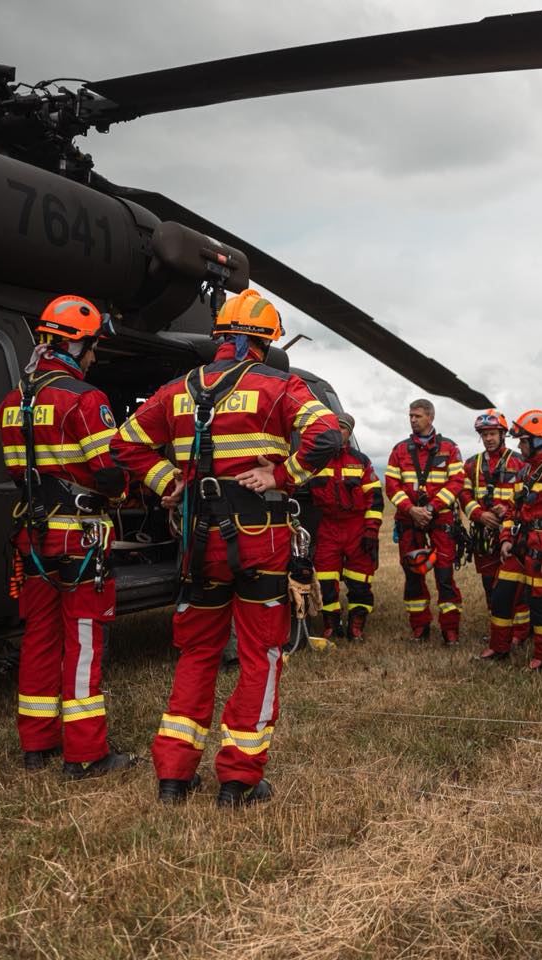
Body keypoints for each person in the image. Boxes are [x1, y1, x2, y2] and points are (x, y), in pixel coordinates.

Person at [112, 289, 341, 805]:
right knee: (260, 654)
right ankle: (238, 780)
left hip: (198, 545)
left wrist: (167, 479)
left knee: (197, 653)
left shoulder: (176, 390)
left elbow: (124, 441)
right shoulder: (279, 386)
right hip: (260, 543)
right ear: (263, 342)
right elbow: (327, 436)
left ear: (220, 338)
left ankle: (173, 776)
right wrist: (282, 473)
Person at [0, 294, 132, 780]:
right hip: (79, 539)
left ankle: (36, 745)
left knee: (38, 638)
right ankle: (85, 753)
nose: (95, 357)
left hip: (31, 536)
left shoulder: (13, 401)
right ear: (77, 344)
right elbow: (109, 474)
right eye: (93, 347)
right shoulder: (84, 398)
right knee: (83, 642)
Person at [475, 411, 542, 670]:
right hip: (519, 546)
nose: (518, 446)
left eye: (522, 441)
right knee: (501, 596)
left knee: (541, 604)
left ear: (538, 441)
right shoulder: (525, 472)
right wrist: (506, 539)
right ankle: (499, 647)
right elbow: (512, 510)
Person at [384, 399, 467, 644]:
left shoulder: (449, 448)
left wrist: (430, 508)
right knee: (413, 575)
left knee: (444, 575)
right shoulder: (399, 450)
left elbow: (456, 482)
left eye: (418, 416)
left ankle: (450, 629)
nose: (412, 420)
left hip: (440, 519)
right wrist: (411, 510)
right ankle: (420, 627)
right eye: (410, 415)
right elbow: (391, 485)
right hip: (409, 521)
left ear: (430, 417)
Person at [307, 412, 383, 646]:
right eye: (332, 428)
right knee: (326, 580)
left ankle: (356, 627)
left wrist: (371, 530)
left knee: (360, 581)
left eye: (342, 429)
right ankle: (332, 625)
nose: (337, 432)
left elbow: (375, 497)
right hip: (329, 526)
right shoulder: (314, 460)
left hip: (357, 527)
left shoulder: (361, 461)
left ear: (349, 433)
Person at [459, 410, 528, 645]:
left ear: (502, 434)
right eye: (484, 434)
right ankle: (498, 629)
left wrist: (507, 508)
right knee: (490, 585)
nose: (488, 438)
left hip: (512, 532)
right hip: (483, 534)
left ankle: (520, 632)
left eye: (492, 434)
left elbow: (527, 495)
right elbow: (463, 494)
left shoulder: (519, 461)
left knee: (514, 585)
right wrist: (479, 515)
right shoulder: (471, 464)